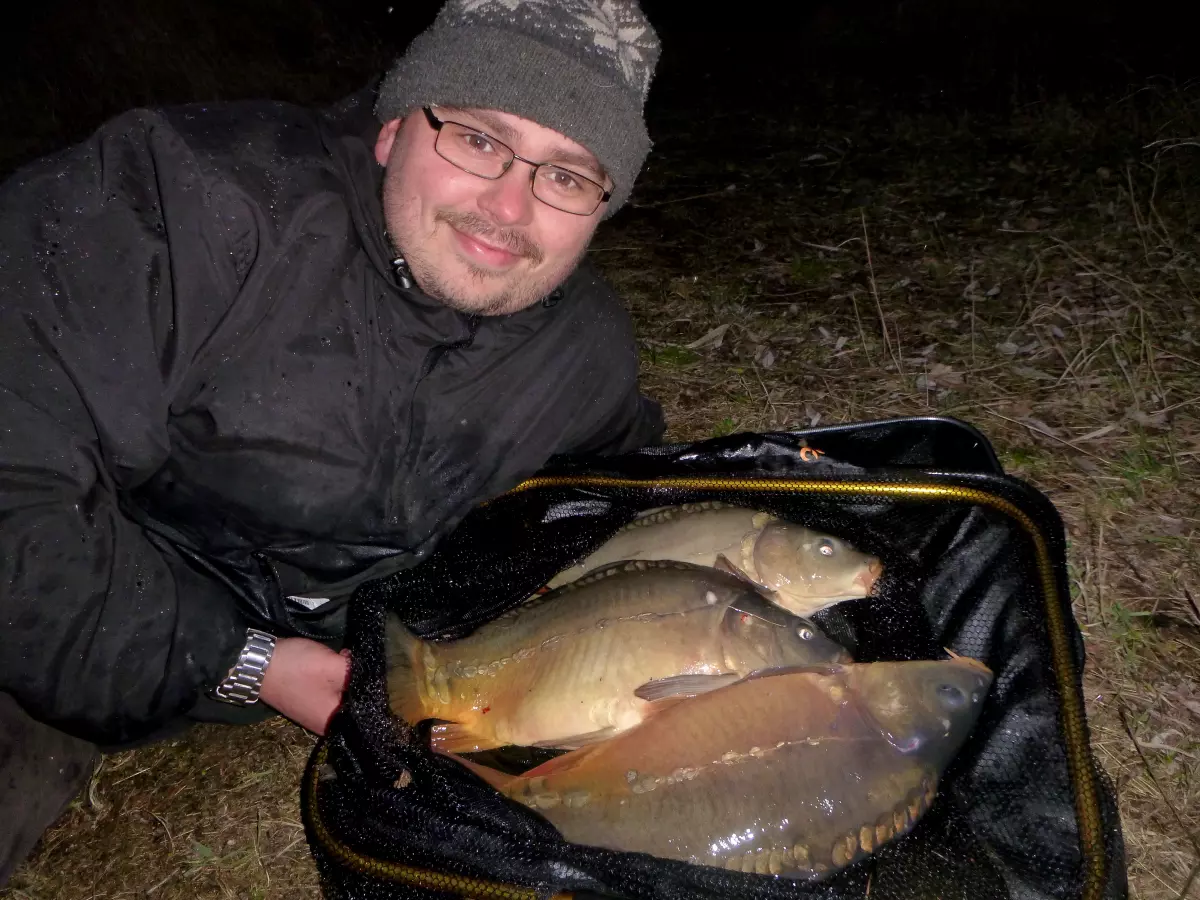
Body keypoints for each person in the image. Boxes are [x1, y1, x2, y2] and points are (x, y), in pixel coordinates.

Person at [0, 0, 664, 884]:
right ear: (393, 128)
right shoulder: (182, 202)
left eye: (569, 177)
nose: (509, 206)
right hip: (77, 590)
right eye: (477, 139)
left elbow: (614, 496)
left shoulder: (583, 351)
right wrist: (244, 663)